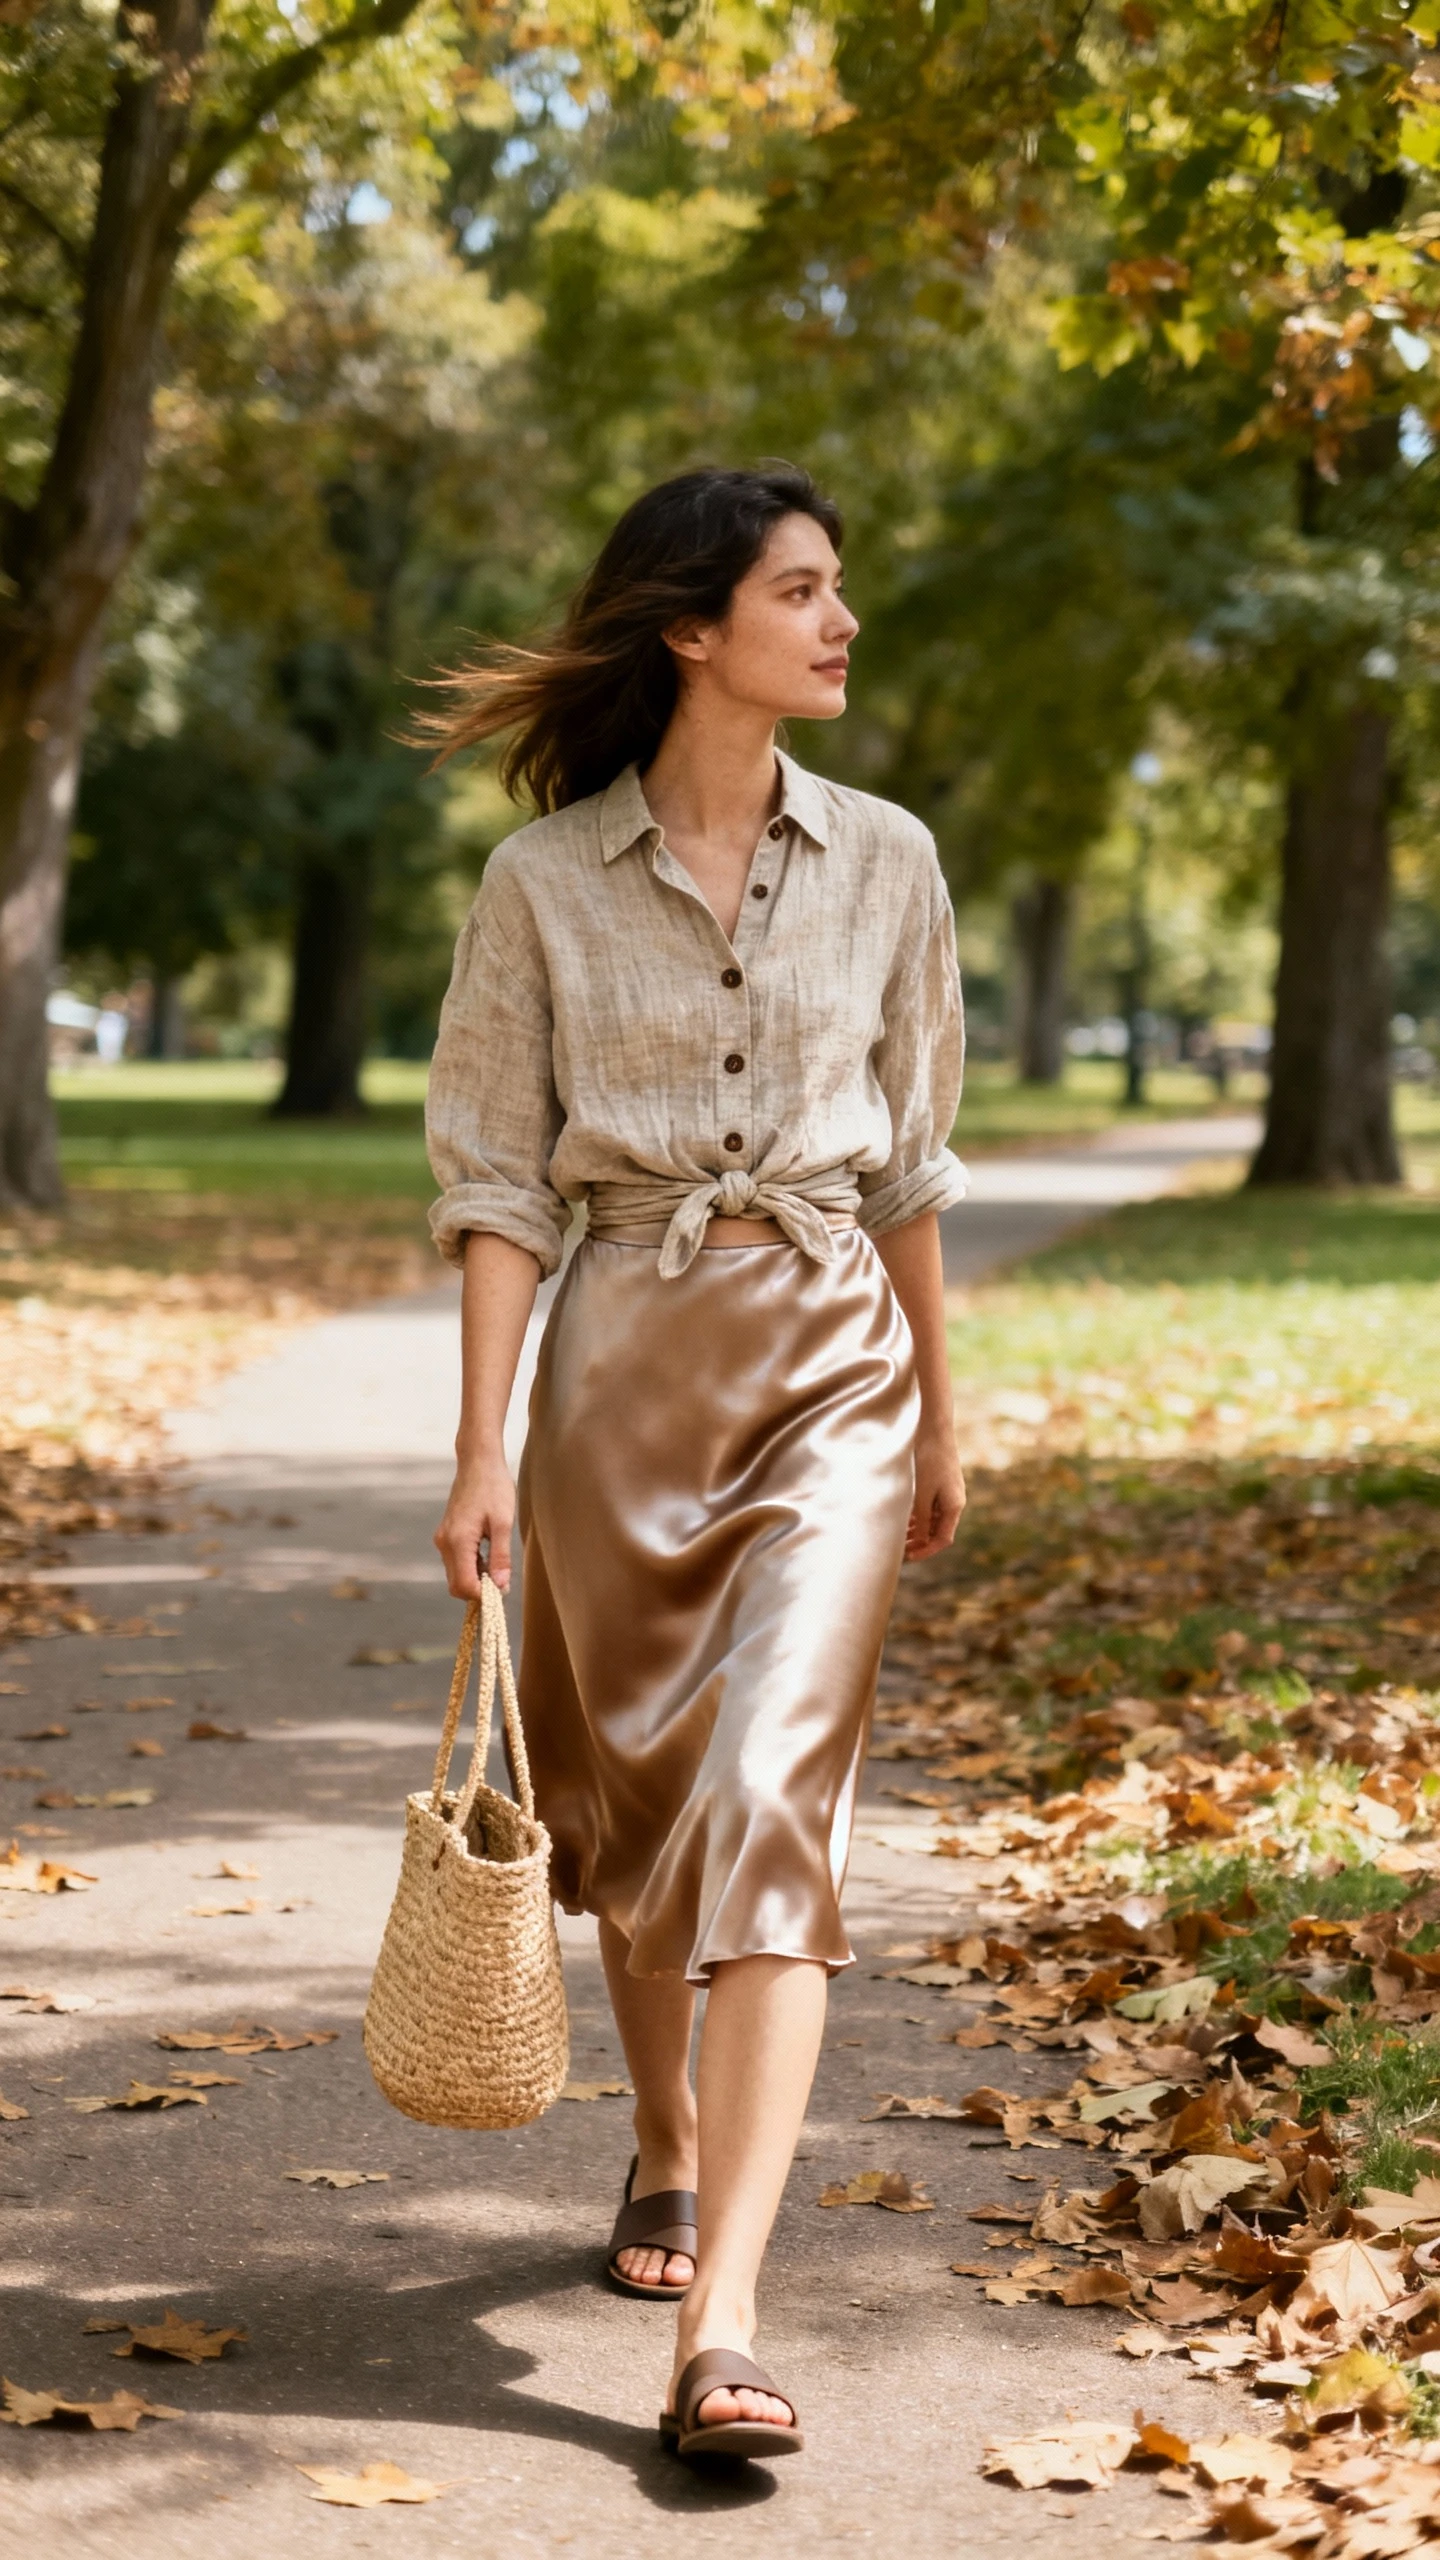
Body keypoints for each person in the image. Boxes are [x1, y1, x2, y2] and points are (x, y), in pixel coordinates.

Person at [420, 462, 968, 2466]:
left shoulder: (894, 859)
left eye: (839, 589)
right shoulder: (546, 884)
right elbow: (494, 1177)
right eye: (803, 592)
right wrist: (480, 1445)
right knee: (632, 1797)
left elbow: (909, 1154)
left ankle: (724, 2318)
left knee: (766, 1799)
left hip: (834, 1355)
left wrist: (938, 1396)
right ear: (689, 625)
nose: (838, 625)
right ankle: (661, 2140)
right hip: (617, 1370)